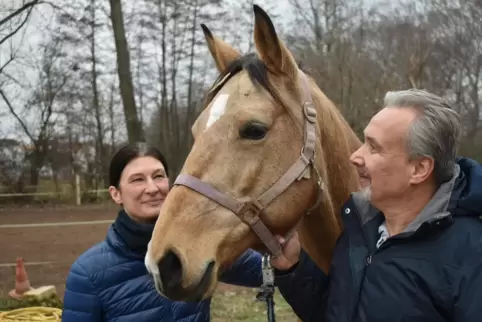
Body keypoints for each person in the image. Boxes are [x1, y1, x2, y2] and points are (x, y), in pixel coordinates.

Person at [271, 89, 482, 321]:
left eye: (374, 147)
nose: (355, 157)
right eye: (364, 142)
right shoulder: (361, 227)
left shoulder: (472, 254)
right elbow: (336, 312)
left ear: (419, 169)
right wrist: (293, 266)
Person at [62, 143, 263, 321]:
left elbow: (266, 271)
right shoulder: (88, 274)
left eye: (158, 176)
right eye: (137, 180)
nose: (152, 188)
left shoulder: (199, 244)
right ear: (116, 194)